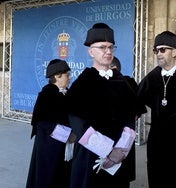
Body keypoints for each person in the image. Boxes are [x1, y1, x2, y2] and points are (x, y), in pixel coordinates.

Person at [67, 23, 137, 188]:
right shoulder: (82, 83)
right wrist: (108, 151)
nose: (108, 52)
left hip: (120, 157)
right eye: (103, 47)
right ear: (91, 51)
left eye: (111, 47)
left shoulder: (121, 81)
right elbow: (79, 125)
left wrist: (121, 150)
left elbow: (130, 117)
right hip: (90, 157)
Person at [136, 31, 176, 188]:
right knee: (157, 177)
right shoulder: (152, 77)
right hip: (157, 137)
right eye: (156, 50)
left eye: (163, 49)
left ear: (175, 52)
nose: (159, 53)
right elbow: (135, 102)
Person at [26, 59, 73, 188]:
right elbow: (41, 122)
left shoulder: (67, 93)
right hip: (49, 147)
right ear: (57, 76)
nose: (69, 77)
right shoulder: (46, 95)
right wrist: (67, 134)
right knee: (48, 177)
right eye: (67, 74)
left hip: (65, 147)